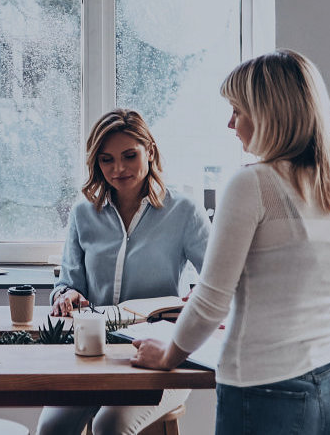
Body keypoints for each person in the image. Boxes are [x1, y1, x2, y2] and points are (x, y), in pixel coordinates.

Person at [129, 49, 330, 435]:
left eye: (238, 111)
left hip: (266, 395)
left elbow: (212, 301)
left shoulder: (252, 184)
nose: (231, 124)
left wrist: (167, 356)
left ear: (269, 115)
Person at [41, 109, 208, 435]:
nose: (118, 169)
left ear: (150, 152)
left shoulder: (184, 211)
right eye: (106, 160)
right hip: (93, 356)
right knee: (52, 427)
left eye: (129, 156)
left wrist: (196, 299)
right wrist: (66, 295)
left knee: (109, 425)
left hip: (162, 358)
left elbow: (219, 283)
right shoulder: (83, 213)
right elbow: (66, 283)